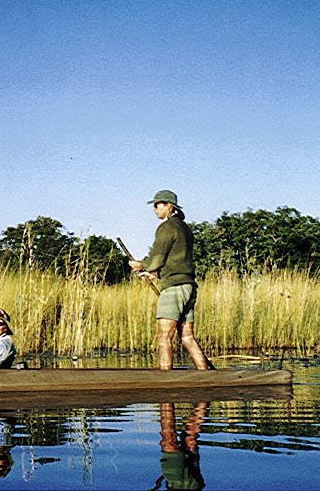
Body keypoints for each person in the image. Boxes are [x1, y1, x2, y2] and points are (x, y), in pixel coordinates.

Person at [129, 190, 211, 371]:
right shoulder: (185, 228)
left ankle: (165, 380)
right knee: (187, 337)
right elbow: (176, 261)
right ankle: (205, 376)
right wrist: (155, 275)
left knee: (164, 337)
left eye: (157, 205)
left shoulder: (166, 228)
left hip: (173, 289)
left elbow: (156, 259)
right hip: (189, 287)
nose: (154, 208)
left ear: (169, 206)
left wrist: (141, 265)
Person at [154, 402, 207, 490]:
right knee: (169, 439)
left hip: (195, 486)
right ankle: (166, 394)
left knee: (190, 437)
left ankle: (205, 395)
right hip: (179, 485)